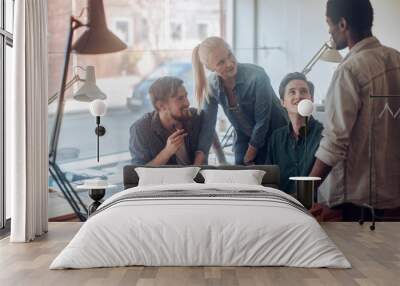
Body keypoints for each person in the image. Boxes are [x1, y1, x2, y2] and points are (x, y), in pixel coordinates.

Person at [309, 0, 400, 220]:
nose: (329, 31)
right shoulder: (396, 59)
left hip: (356, 201)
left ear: (342, 24)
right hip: (393, 199)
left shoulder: (349, 70)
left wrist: (305, 192)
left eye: (329, 24)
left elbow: (334, 140)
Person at [192, 36, 288, 165]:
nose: (230, 63)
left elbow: (262, 121)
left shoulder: (257, 76)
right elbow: (208, 127)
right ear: (210, 68)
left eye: (230, 55)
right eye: (221, 62)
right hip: (244, 136)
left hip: (277, 135)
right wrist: (212, 159)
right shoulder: (211, 87)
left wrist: (250, 154)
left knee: (271, 178)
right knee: (239, 178)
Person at [266, 73, 323, 195]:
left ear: (311, 99)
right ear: (282, 102)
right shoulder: (276, 138)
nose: (299, 96)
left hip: (316, 208)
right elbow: (270, 180)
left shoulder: (324, 135)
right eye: (292, 92)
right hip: (283, 206)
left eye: (303, 91)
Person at [129, 76, 204, 165]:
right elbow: (138, 174)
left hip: (194, 178)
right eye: (180, 98)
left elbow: (212, 143)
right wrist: (167, 152)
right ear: (161, 106)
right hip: (162, 179)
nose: (187, 103)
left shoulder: (196, 117)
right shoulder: (141, 129)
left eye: (186, 96)